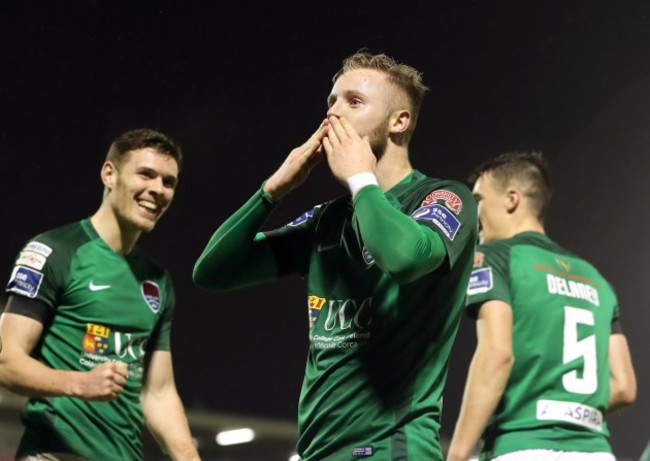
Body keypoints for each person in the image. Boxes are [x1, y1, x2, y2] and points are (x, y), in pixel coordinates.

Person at [192, 50, 478, 460]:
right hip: (315, 452)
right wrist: (271, 191)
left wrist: (361, 178)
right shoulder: (327, 221)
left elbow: (406, 259)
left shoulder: (442, 198)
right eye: (332, 102)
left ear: (400, 122)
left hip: (390, 448)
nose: (333, 115)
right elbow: (213, 273)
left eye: (354, 102)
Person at [0, 128, 200, 461]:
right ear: (109, 174)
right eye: (146, 174)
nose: (157, 190)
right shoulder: (54, 251)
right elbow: (7, 362)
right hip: (53, 454)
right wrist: (79, 383)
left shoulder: (156, 280)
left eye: (168, 182)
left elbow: (160, 393)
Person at [446, 151, 637, 461]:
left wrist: (457, 455)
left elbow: (496, 355)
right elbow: (625, 386)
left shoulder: (493, 258)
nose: (474, 211)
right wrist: (567, 409)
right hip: (596, 452)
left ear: (511, 199)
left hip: (523, 448)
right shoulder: (596, 280)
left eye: (479, 199)